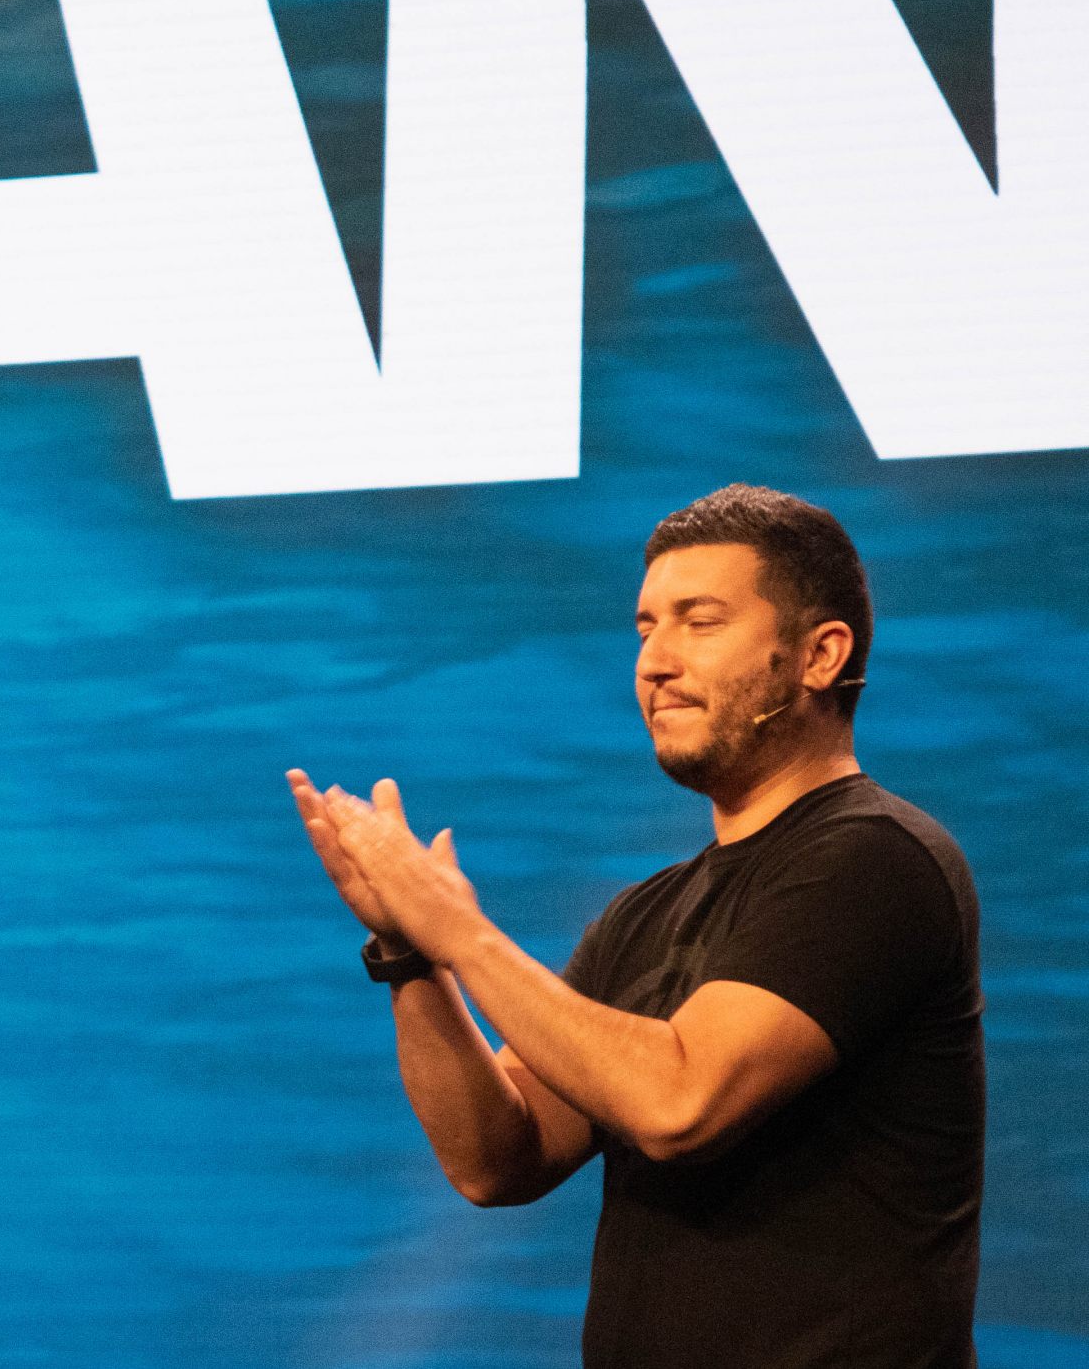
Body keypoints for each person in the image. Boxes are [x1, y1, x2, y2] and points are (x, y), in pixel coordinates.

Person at [290, 484, 981, 1368]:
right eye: (646, 627)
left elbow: (678, 1103)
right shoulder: (641, 915)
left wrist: (462, 931)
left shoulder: (876, 859)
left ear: (819, 655)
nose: (655, 661)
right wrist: (412, 955)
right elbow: (497, 1158)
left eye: (700, 621)